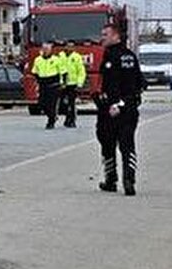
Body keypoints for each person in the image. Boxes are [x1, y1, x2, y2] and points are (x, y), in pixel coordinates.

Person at [96, 23, 145, 196]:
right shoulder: (124, 55)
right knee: (117, 144)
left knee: (116, 144)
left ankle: (121, 179)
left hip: (118, 109)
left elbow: (126, 86)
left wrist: (118, 104)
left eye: (105, 34)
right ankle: (120, 179)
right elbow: (138, 83)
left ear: (116, 36)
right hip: (119, 108)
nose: (102, 37)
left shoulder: (116, 57)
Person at [31, 43, 62, 129]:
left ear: (51, 50)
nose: (45, 51)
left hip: (53, 84)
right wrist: (38, 80)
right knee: (42, 104)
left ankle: (51, 121)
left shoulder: (56, 59)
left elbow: (62, 72)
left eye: (47, 49)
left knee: (52, 104)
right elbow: (34, 71)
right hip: (43, 84)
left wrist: (61, 83)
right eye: (44, 49)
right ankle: (51, 116)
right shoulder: (38, 60)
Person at [60, 42, 87, 128]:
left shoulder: (77, 57)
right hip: (62, 84)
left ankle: (71, 120)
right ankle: (67, 116)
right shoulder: (60, 57)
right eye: (68, 46)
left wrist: (79, 83)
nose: (69, 48)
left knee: (71, 103)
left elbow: (81, 71)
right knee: (63, 103)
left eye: (71, 47)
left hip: (73, 84)